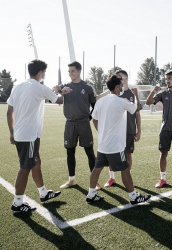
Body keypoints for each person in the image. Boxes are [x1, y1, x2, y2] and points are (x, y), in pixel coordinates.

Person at [7, 59, 70, 213]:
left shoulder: (17, 87)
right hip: (29, 136)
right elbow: (60, 100)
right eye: (44, 72)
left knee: (36, 162)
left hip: (22, 134)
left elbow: (9, 112)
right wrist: (63, 92)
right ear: (41, 72)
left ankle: (43, 193)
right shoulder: (40, 87)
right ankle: (17, 203)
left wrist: (12, 132)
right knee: (25, 167)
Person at [86, 74, 150, 204]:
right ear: (116, 87)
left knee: (97, 168)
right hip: (116, 145)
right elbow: (136, 109)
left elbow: (94, 118)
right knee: (125, 169)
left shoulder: (100, 101)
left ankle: (91, 194)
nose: (122, 87)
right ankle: (133, 196)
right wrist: (136, 95)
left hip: (103, 144)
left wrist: (101, 131)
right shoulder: (121, 101)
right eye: (120, 85)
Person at [54, 61, 100, 190]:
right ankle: (71, 179)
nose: (70, 73)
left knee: (89, 152)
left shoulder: (87, 87)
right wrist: (60, 91)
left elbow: (95, 106)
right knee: (70, 152)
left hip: (84, 124)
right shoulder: (65, 86)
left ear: (79, 71)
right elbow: (55, 93)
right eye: (69, 71)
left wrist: (89, 118)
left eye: (73, 71)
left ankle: (94, 181)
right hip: (69, 124)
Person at [97, 70, 141, 188]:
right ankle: (112, 178)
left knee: (128, 154)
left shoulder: (131, 94)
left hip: (129, 130)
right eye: (119, 78)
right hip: (114, 132)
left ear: (126, 79)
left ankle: (128, 178)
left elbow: (137, 112)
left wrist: (139, 130)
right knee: (112, 154)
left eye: (123, 78)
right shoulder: (111, 94)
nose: (121, 80)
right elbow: (97, 99)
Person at [146, 69, 172, 188]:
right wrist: (153, 91)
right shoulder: (163, 94)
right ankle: (162, 179)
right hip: (165, 129)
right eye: (166, 79)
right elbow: (149, 102)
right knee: (163, 154)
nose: (167, 81)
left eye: (169, 78)